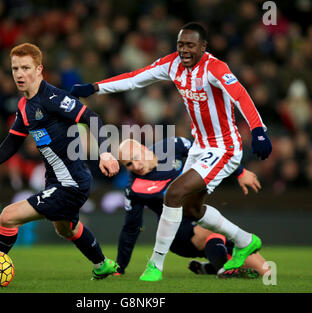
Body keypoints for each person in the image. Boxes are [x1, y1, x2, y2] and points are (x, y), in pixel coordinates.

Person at [70, 22, 272, 281]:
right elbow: (134, 78)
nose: (184, 50)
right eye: (180, 44)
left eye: (190, 45)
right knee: (191, 210)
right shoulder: (172, 63)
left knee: (173, 193)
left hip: (224, 147)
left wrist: (258, 130)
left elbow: (240, 96)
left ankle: (156, 264)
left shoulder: (216, 68)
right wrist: (96, 87)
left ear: (203, 46)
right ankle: (245, 240)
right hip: (200, 145)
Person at [0, 43, 120, 281]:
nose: (19, 74)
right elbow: (13, 141)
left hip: (70, 183)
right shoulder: (25, 106)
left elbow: (91, 117)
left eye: (25, 67)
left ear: (39, 70)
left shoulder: (54, 98)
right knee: (65, 228)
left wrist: (105, 152)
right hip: (58, 181)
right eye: (15, 68)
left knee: (7, 216)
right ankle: (102, 265)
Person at [116, 137, 268, 278]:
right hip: (178, 233)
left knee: (265, 270)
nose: (135, 166)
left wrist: (240, 172)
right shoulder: (134, 188)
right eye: (129, 164)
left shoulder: (172, 146)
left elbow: (208, 154)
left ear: (144, 149)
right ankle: (225, 270)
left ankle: (210, 267)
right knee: (211, 231)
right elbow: (131, 228)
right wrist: (120, 267)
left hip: (198, 215)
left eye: (135, 158)